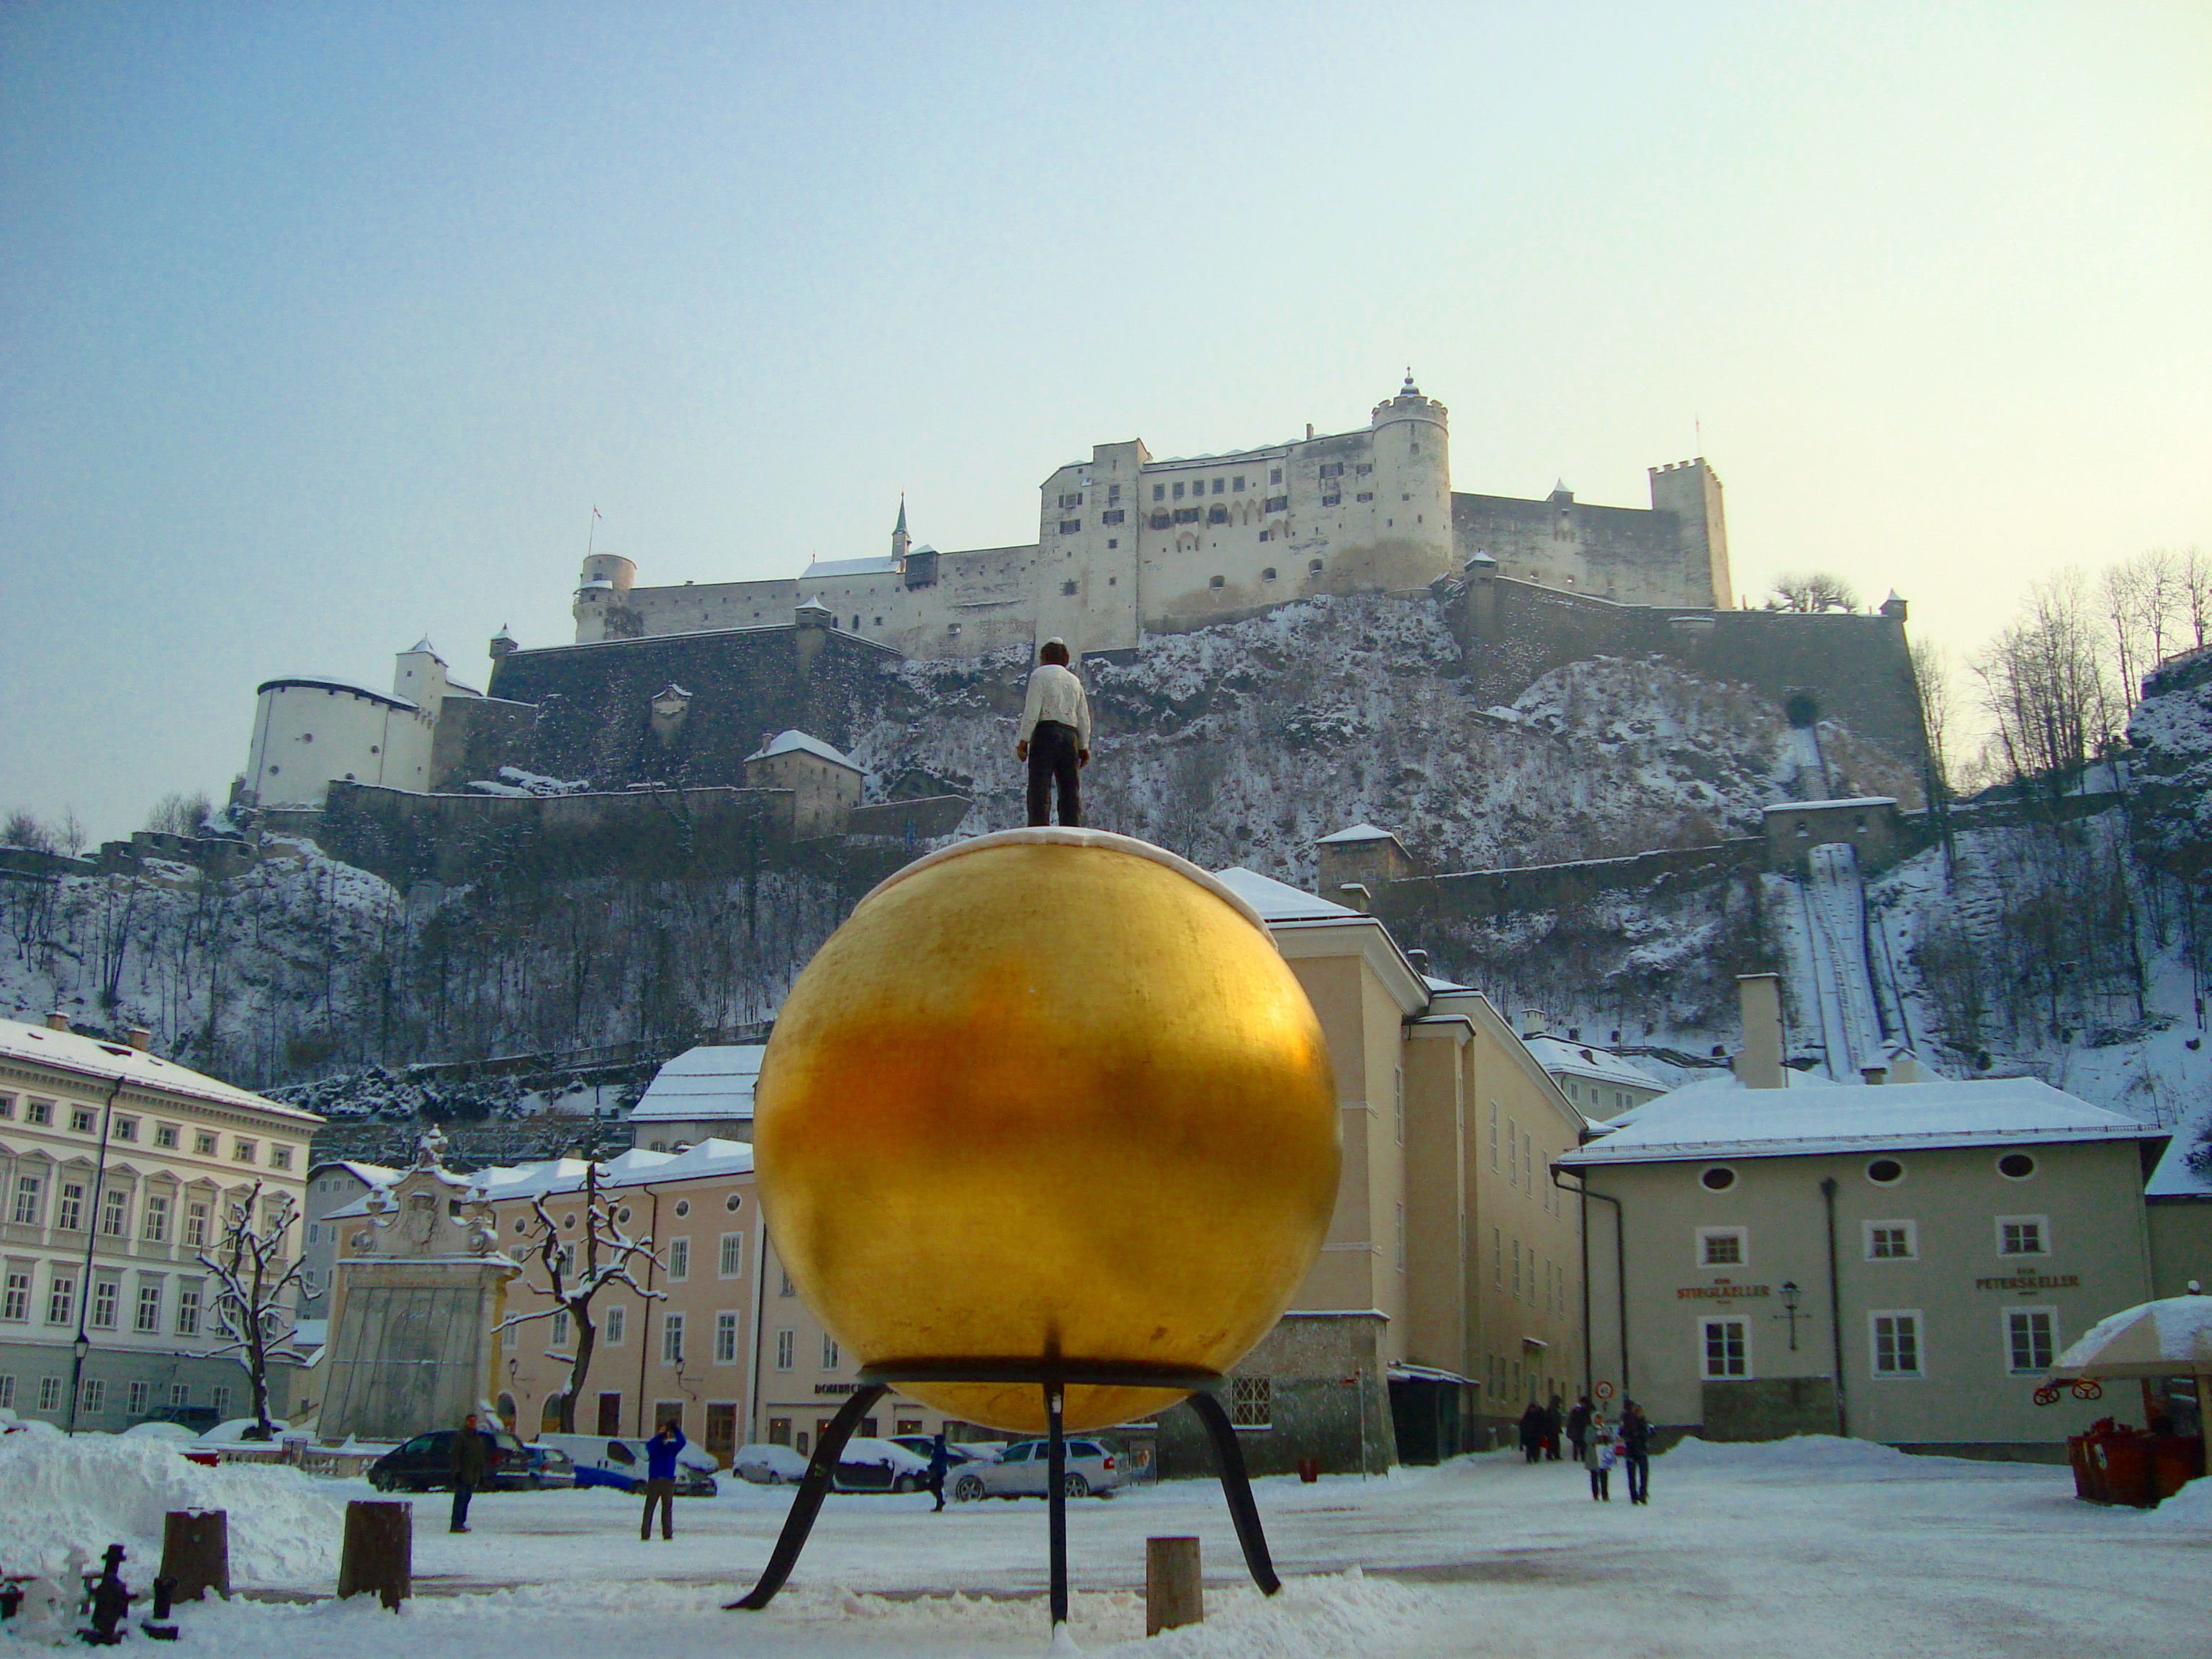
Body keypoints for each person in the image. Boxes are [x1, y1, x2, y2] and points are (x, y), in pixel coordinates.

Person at [1015, 639, 1092, 827]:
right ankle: (1072, 830)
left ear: (1043, 657)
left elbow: (1032, 710)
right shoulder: (1074, 681)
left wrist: (1024, 740)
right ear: (1065, 660)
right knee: (1069, 790)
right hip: (1070, 736)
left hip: (1045, 733)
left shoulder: (1039, 676)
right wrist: (1083, 747)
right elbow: (1083, 717)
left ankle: (1038, 828)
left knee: (1039, 787)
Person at [641, 1419, 685, 1541]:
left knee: (667, 1509)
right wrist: (660, 1435)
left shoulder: (672, 1448)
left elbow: (682, 1442)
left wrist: (676, 1430)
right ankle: (645, 1534)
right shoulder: (655, 1446)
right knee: (650, 1508)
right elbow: (649, 1446)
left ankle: (667, 1533)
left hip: (668, 1481)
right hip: (655, 1480)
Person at [449, 1411, 490, 1534]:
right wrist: (457, 1471)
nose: (473, 1424)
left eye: (475, 1421)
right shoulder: (461, 1437)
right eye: (471, 1421)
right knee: (460, 1500)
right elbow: (456, 1455)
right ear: (467, 1422)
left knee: (466, 1499)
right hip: (463, 1474)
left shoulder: (476, 1438)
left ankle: (461, 1522)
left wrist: (480, 1474)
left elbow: (479, 1457)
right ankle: (456, 1524)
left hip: (472, 1475)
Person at [1619, 1400, 1653, 1505]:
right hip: (1635, 1450)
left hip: (1637, 1450)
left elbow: (1650, 1434)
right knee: (1636, 1474)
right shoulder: (1629, 1421)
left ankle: (1640, 1495)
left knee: (1639, 1474)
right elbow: (1623, 1433)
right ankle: (1637, 1495)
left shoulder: (1642, 1422)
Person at [1583, 1410, 1617, 1501]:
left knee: (1604, 1474)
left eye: (1601, 1418)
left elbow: (1611, 1438)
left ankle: (1605, 1494)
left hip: (1603, 1455)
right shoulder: (1590, 1428)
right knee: (1594, 1474)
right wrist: (1597, 1436)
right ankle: (1595, 1494)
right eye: (1598, 1418)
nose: (1600, 1420)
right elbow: (1588, 1439)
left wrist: (1607, 1438)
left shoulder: (1605, 1428)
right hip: (1593, 1455)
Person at [1517, 1400, 1547, 1465]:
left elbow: (1523, 1424)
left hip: (1533, 1434)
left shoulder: (1529, 1415)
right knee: (1533, 1447)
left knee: (1533, 1446)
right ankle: (1532, 1457)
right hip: (1532, 1434)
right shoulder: (1534, 1415)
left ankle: (1533, 1457)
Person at [1565, 1395, 1592, 1465]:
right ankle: (1579, 1457)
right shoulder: (1581, 1412)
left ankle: (1580, 1457)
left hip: (1580, 1430)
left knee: (1580, 1444)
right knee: (1578, 1444)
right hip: (1578, 1430)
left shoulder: (1581, 1412)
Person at [927, 1430, 950, 1513]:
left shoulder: (939, 1449)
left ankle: (940, 1503)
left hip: (938, 1471)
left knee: (935, 1487)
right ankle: (940, 1502)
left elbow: (937, 1460)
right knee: (936, 1487)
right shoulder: (940, 1448)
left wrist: (932, 1466)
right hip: (940, 1470)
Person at [1543, 1395, 1565, 1462]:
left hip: (1553, 1429)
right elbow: (1553, 1420)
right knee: (1552, 1443)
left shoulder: (1553, 1409)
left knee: (1553, 1443)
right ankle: (1552, 1455)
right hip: (1552, 1429)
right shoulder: (1553, 1409)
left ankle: (1554, 1455)